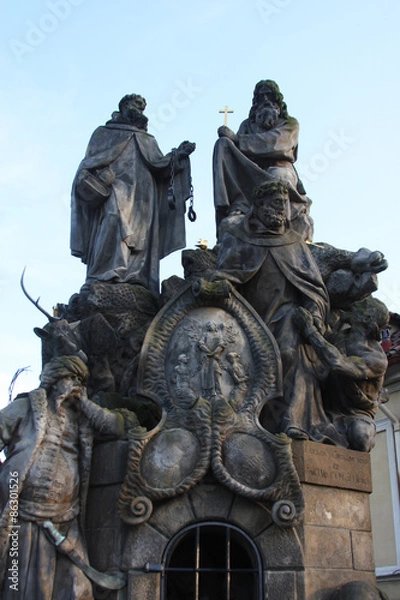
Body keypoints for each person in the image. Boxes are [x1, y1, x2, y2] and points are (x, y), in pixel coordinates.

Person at [214, 180, 343, 443]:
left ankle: (292, 421)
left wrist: (314, 314)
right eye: (276, 204)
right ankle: (248, 420)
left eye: (284, 204)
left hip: (288, 315)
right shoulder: (242, 238)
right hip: (249, 319)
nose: (282, 210)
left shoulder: (294, 242)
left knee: (289, 350)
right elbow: (226, 276)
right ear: (259, 206)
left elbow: (314, 289)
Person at [0, 356, 135, 599]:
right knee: (21, 586)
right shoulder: (27, 408)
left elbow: (117, 427)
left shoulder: (82, 417)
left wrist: (85, 403)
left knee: (76, 587)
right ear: (54, 381)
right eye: (70, 379)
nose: (75, 385)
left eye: (79, 380)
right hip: (25, 515)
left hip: (65, 517)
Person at [71, 93, 196, 297]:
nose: (137, 109)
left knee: (142, 234)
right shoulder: (104, 133)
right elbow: (88, 164)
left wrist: (178, 156)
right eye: (134, 104)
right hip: (114, 187)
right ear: (123, 107)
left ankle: (135, 276)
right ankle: (104, 273)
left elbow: (160, 165)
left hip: (143, 193)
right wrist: (99, 176)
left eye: (141, 106)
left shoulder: (147, 139)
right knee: (113, 218)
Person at [213, 80, 311, 240]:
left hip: (280, 167)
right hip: (250, 171)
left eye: (269, 96)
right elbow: (237, 154)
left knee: (279, 176)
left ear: (278, 101)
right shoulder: (247, 125)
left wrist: (239, 140)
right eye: (260, 97)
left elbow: (279, 143)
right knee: (222, 144)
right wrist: (230, 141)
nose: (265, 100)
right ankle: (237, 205)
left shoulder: (290, 123)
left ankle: (281, 219)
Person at [294, 297, 389, 451]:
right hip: (325, 406)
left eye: (363, 305)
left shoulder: (376, 358)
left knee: (360, 436)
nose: (356, 303)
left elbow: (338, 363)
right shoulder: (341, 336)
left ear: (367, 318)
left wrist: (309, 329)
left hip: (355, 415)